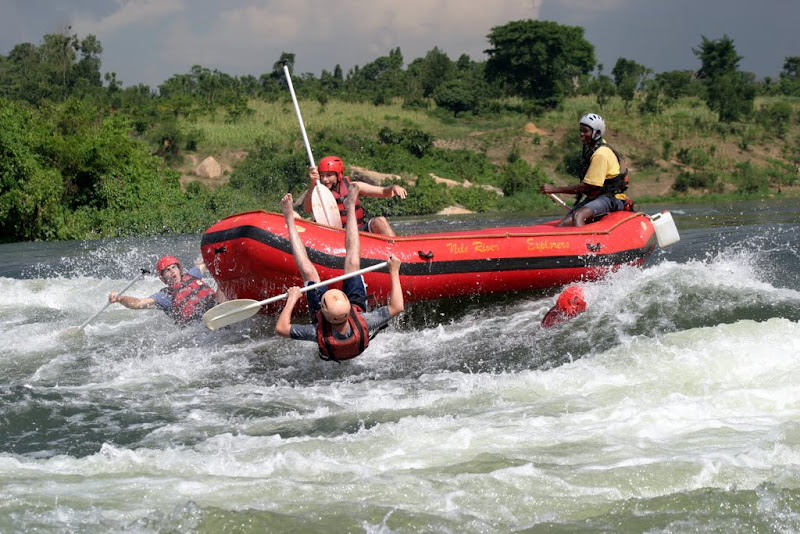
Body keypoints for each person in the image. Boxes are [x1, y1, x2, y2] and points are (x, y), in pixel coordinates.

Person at [276, 185, 405, 361]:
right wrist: (394, 271)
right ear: (350, 306)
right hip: (351, 319)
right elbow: (398, 307)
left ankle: (289, 219)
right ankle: (350, 205)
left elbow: (281, 328)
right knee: (353, 262)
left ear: (322, 310)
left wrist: (292, 299)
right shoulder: (365, 320)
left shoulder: (316, 331)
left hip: (331, 326)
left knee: (308, 271)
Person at [540, 113, 633, 227]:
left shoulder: (600, 154)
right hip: (597, 198)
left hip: (611, 199)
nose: (581, 134)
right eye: (581, 131)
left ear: (597, 133)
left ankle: (583, 238)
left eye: (585, 131)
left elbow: (586, 187)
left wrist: (555, 189)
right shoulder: (595, 148)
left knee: (578, 216)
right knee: (563, 224)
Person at [302, 155, 407, 236]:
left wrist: (393, 187)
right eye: (322, 175)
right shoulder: (319, 193)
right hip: (339, 235)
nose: (325, 179)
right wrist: (313, 183)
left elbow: (383, 192)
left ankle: (397, 250)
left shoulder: (354, 187)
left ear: (339, 175)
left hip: (359, 231)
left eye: (329, 175)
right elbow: (307, 209)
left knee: (380, 221)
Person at [108, 256, 225, 326]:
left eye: (174, 267)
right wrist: (119, 298)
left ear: (179, 269)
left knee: (223, 277)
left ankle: (227, 306)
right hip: (200, 323)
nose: (172, 271)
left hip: (216, 306)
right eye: (167, 270)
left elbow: (204, 262)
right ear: (163, 278)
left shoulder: (192, 275)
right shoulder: (164, 296)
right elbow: (138, 303)